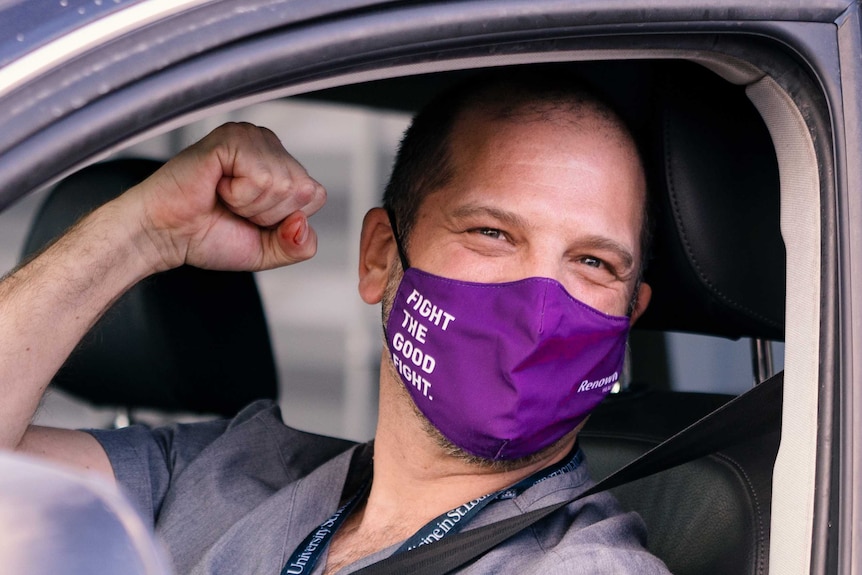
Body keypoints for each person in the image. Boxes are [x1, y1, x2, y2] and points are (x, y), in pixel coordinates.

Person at [0, 71, 669, 574]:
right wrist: (138, 233)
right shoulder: (221, 473)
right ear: (381, 255)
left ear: (627, 318)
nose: (540, 302)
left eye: (593, 262)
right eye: (492, 232)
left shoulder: (585, 566)